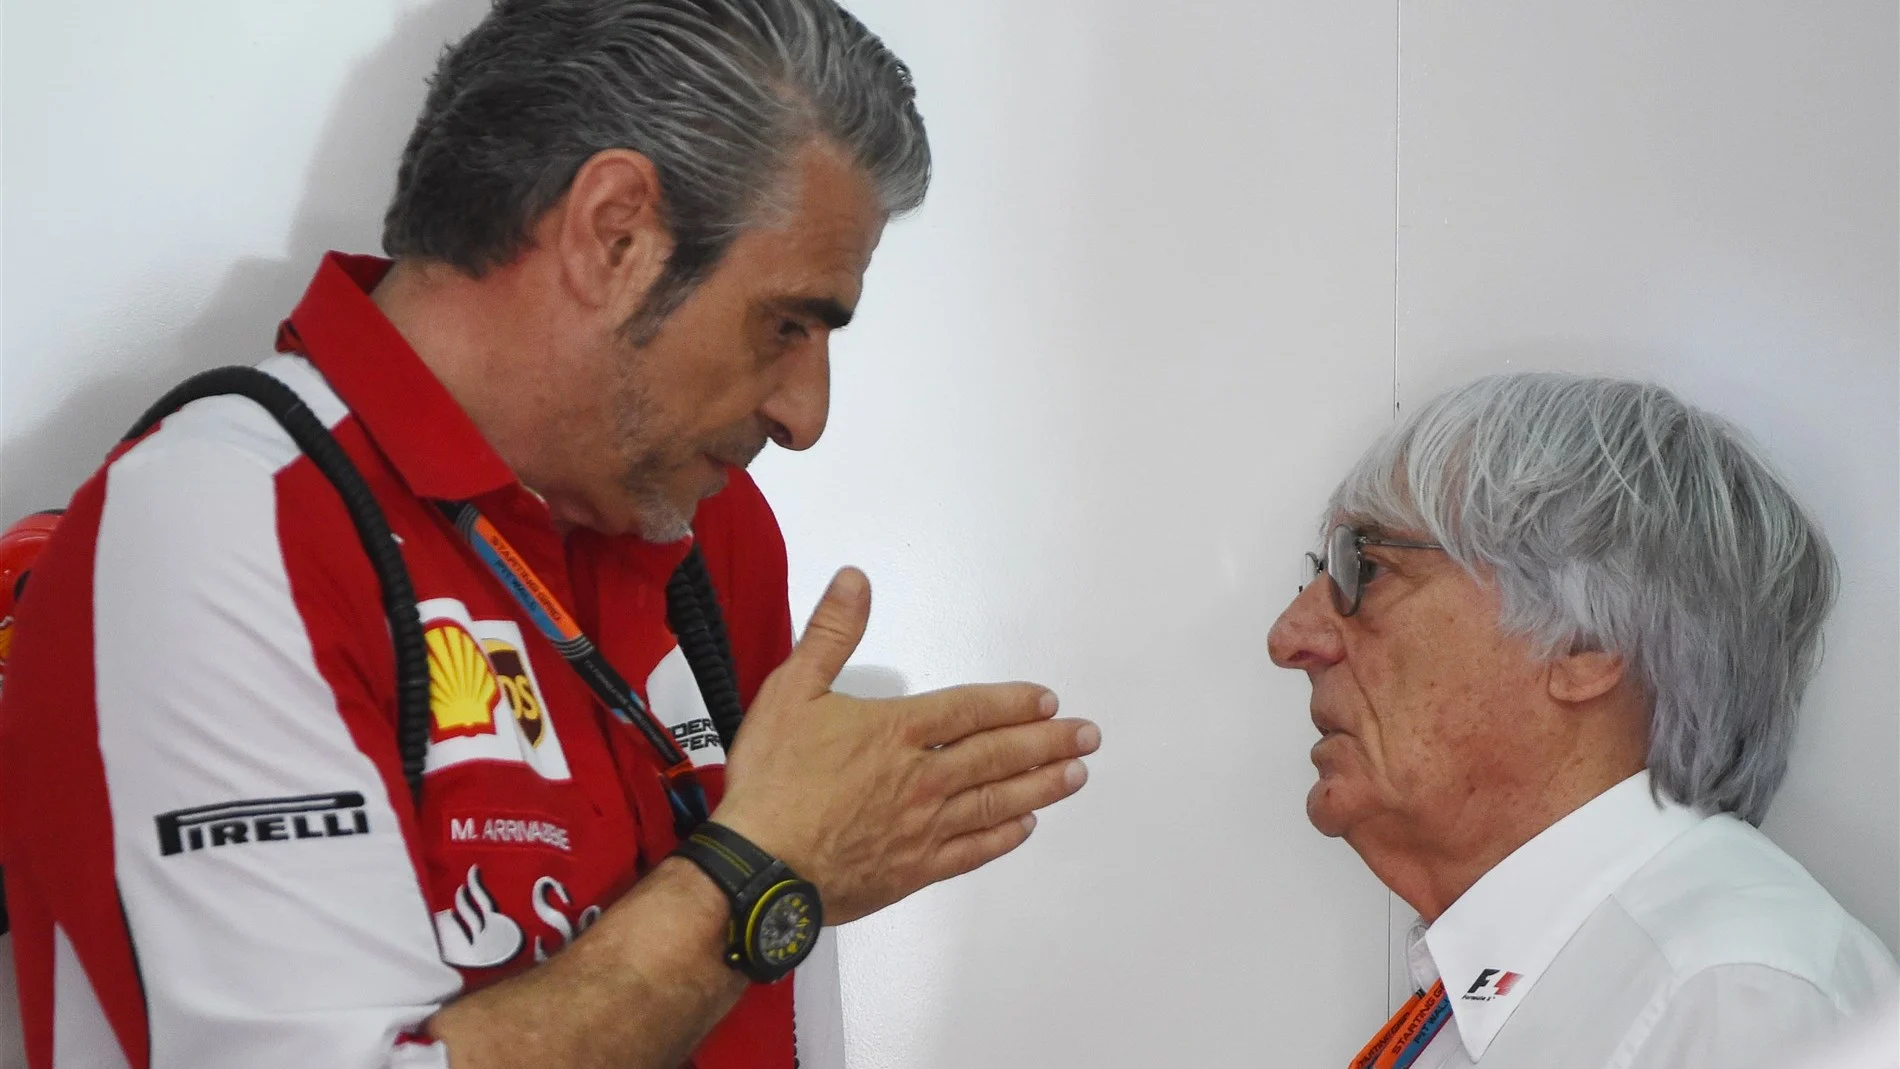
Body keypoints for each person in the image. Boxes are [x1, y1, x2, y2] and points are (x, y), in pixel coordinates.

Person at [0, 2, 1099, 1068]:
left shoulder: (715, 538)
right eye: (787, 323)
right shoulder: (228, 522)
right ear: (613, 232)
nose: (804, 414)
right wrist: (760, 868)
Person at [1267, 372, 1896, 1068]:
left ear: (1585, 641)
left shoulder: (1731, 994)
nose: (1292, 636)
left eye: (1368, 567)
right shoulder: (1539, 991)